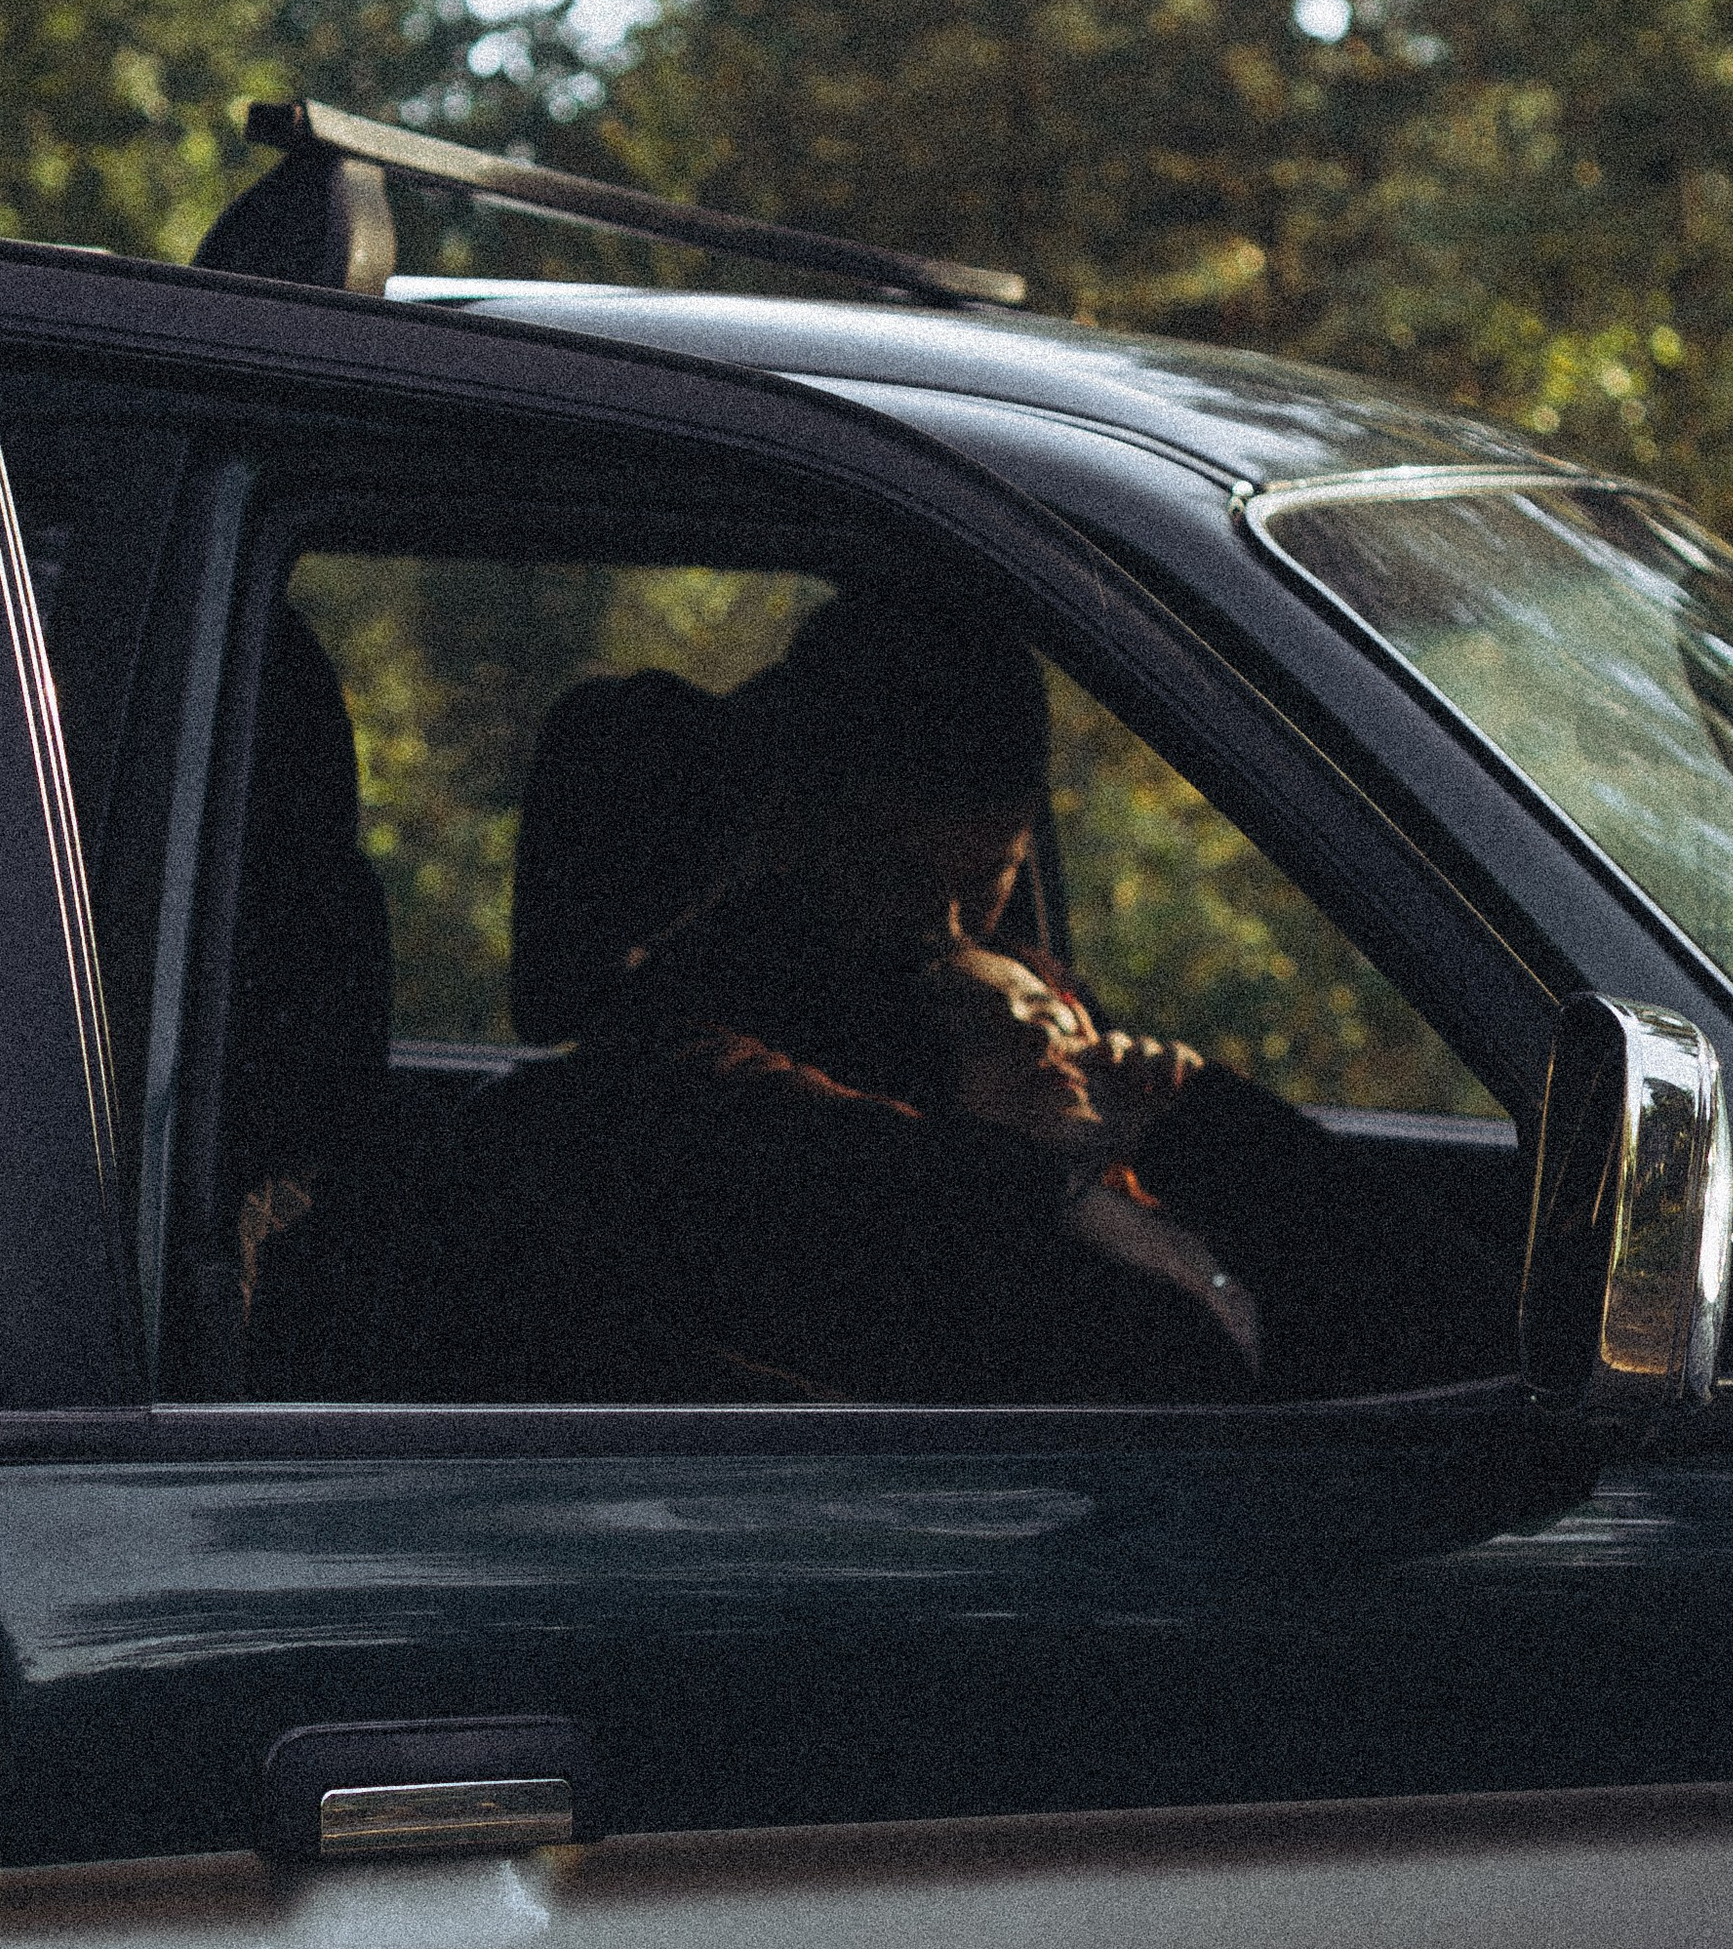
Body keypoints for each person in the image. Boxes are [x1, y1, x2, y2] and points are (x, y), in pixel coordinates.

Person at [393, 587, 1486, 1404]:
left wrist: (1197, 1118)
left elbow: (1435, 1315)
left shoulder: (1024, 1009)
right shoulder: (711, 1057)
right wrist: (1060, 1197)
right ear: (801, 824)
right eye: (897, 875)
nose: (947, 923)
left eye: (986, 880)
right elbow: (759, 1133)